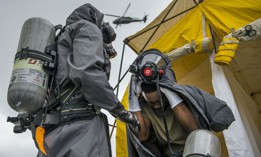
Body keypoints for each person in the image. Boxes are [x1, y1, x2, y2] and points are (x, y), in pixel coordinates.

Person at [35, 3, 139, 157]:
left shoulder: (61, 39)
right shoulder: (88, 27)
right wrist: (121, 112)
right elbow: (88, 73)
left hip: (52, 132)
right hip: (79, 131)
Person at [127, 49, 235, 157]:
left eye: (159, 100)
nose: (156, 105)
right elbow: (142, 136)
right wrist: (132, 98)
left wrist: (169, 91)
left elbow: (195, 131)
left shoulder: (184, 97)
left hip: (194, 150)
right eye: (152, 103)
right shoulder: (145, 107)